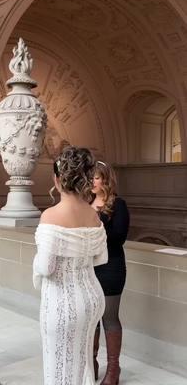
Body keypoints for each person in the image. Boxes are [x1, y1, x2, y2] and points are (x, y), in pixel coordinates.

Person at [33, 146, 108, 385]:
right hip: (92, 298)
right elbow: (101, 258)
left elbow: (45, 268)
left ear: (57, 179)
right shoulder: (94, 214)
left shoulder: (51, 215)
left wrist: (35, 261)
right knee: (83, 361)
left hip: (63, 302)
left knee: (59, 369)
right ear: (85, 179)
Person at [91, 161, 130, 385]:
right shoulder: (85, 202)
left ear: (105, 180)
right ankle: (92, 361)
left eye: (95, 177)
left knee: (109, 318)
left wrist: (96, 222)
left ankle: (113, 368)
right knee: (92, 318)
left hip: (112, 267)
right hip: (90, 267)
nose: (91, 182)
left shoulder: (119, 204)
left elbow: (118, 238)